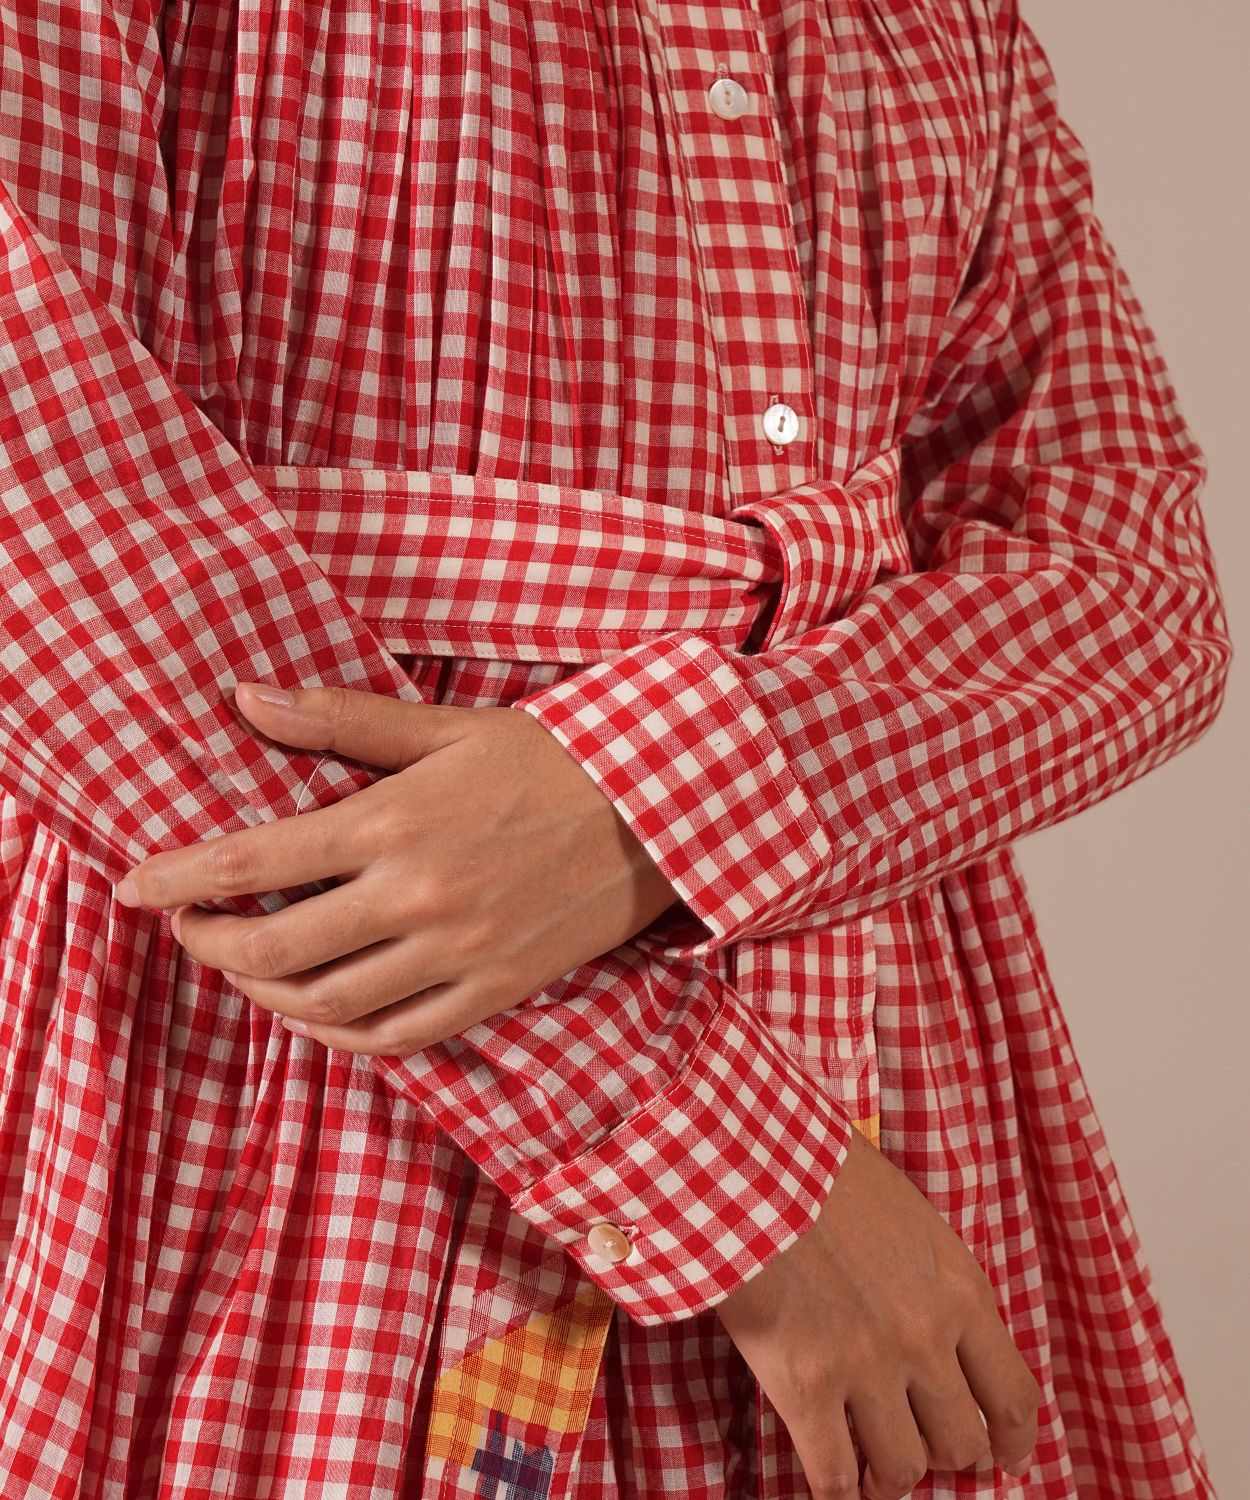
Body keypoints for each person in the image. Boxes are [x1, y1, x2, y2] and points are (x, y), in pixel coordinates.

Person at [0, 0, 1231, 1496]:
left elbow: (1134, 580)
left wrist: (654, 802)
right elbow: (52, 540)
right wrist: (742, 1178)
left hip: (889, 1044)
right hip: (295, 1087)